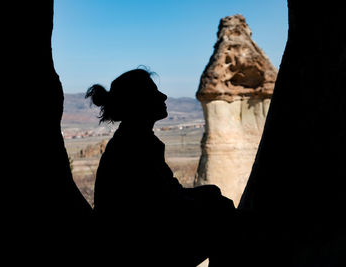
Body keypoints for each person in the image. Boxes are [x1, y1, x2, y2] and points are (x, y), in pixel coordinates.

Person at [86, 68, 235, 266]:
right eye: (153, 92)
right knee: (222, 213)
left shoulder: (132, 139)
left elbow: (163, 197)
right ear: (138, 102)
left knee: (215, 200)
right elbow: (163, 203)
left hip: (133, 241)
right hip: (140, 249)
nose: (163, 96)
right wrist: (208, 197)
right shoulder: (135, 144)